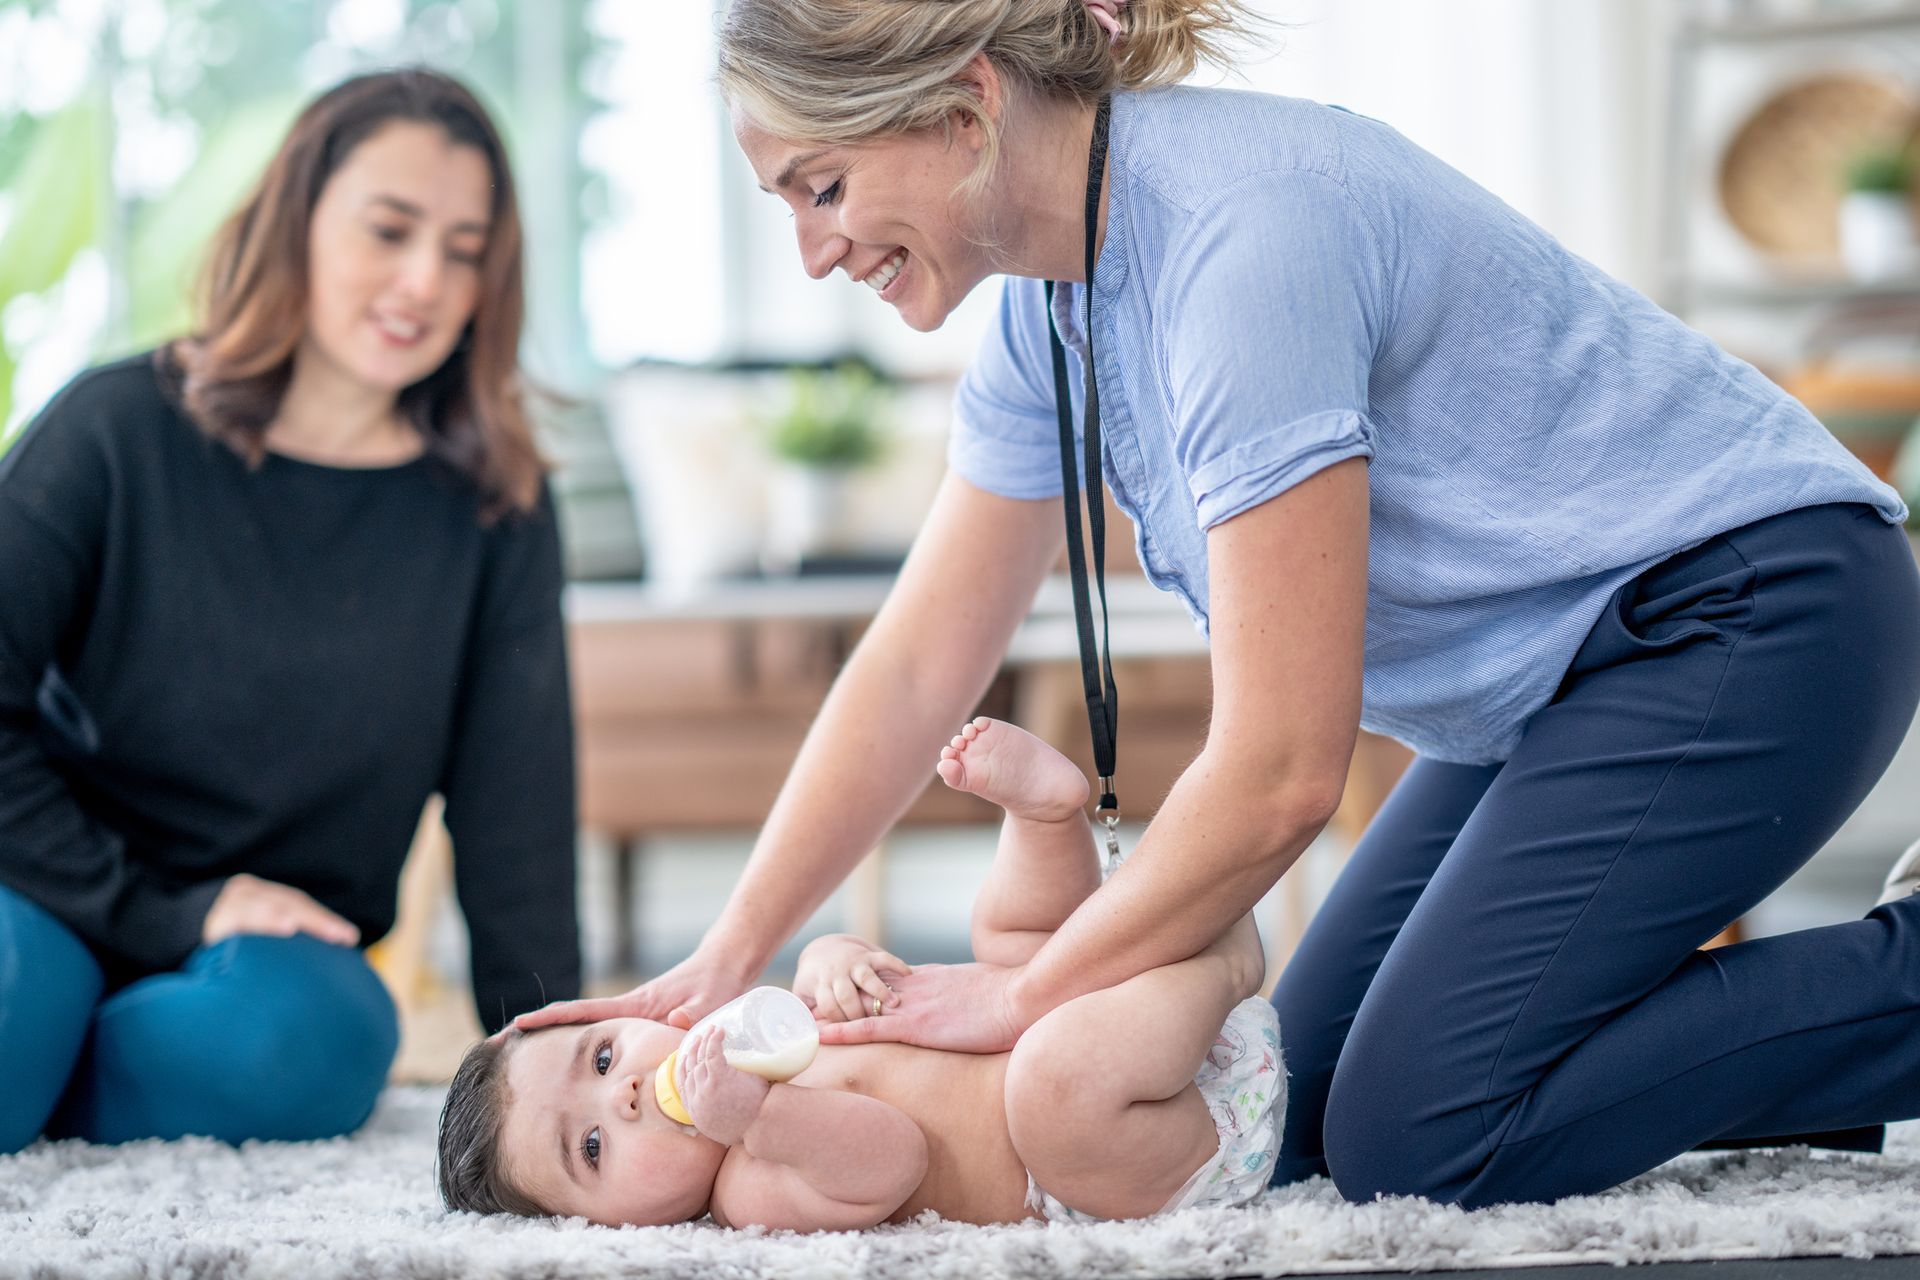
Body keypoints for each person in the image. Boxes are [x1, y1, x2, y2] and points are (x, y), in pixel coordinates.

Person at [523, 0, 1920, 1209]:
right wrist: (725, 956)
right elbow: (910, 671)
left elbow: (1281, 774)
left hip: (1753, 614)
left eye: (821, 188)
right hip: (1559, 690)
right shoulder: (1045, 313)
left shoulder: (1243, 243)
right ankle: (1763, 1065)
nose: (815, 254)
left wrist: (1024, 994)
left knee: (1415, 1133)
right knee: (1289, 1117)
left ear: (962, 107)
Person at [0, 68, 579, 1152]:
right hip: (44, 884)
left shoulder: (497, 507)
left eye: (463, 251)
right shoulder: (114, 429)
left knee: (311, 1047)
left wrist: (550, 1058)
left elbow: (519, 823)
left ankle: (54, 1088)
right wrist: (175, 911)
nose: (425, 281)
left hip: (274, 956)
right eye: (390, 230)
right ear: (296, 224)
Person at [442, 718, 1280, 1229]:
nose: (621, 1095)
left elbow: (860, 999)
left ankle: (1044, 817)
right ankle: (1222, 963)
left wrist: (834, 960)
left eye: (598, 1057)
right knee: (1051, 1090)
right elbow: (892, 1157)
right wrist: (758, 1119)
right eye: (591, 1148)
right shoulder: (747, 1191)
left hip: (1113, 1037)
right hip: (1135, 1156)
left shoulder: (747, 1036)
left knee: (1008, 937)